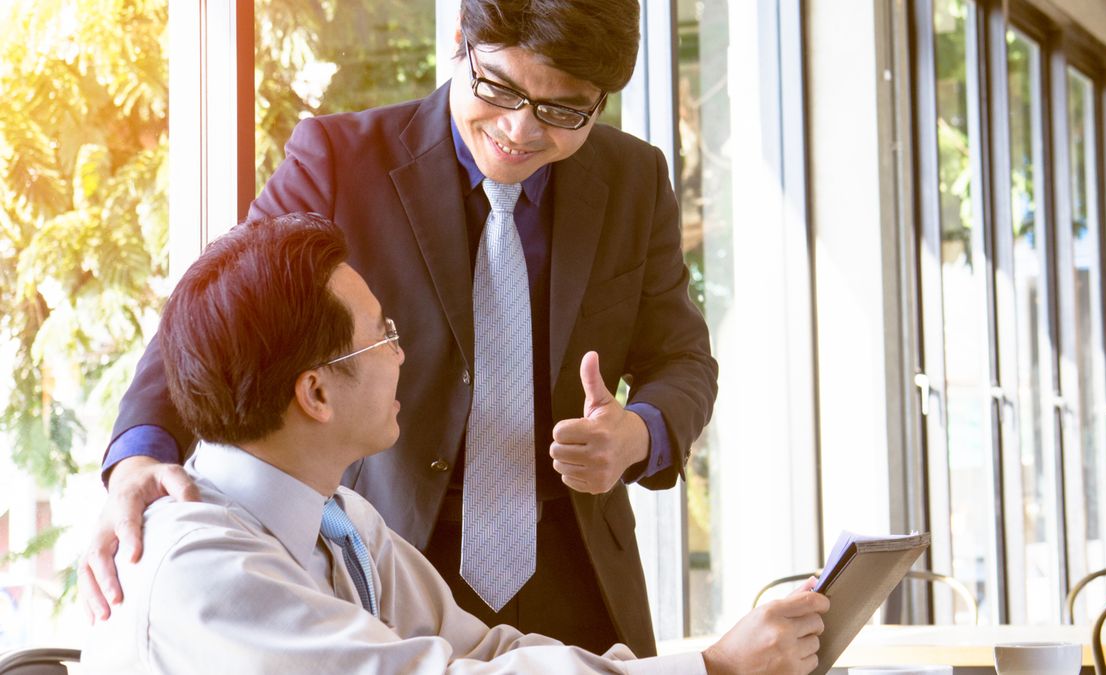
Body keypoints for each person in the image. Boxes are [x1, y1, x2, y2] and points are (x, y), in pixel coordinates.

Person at [81, 0, 718, 656]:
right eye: (499, 88)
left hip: (576, 571)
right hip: (388, 565)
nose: (520, 130)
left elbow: (683, 359)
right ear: (460, 41)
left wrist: (640, 431)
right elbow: (224, 310)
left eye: (563, 110)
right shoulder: (338, 159)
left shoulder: (633, 180)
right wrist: (139, 456)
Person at [79, 213, 826, 674]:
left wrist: (702, 666)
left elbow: (483, 652)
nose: (403, 355)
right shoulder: (205, 570)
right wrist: (718, 668)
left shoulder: (344, 523)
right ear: (315, 392)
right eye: (384, 336)